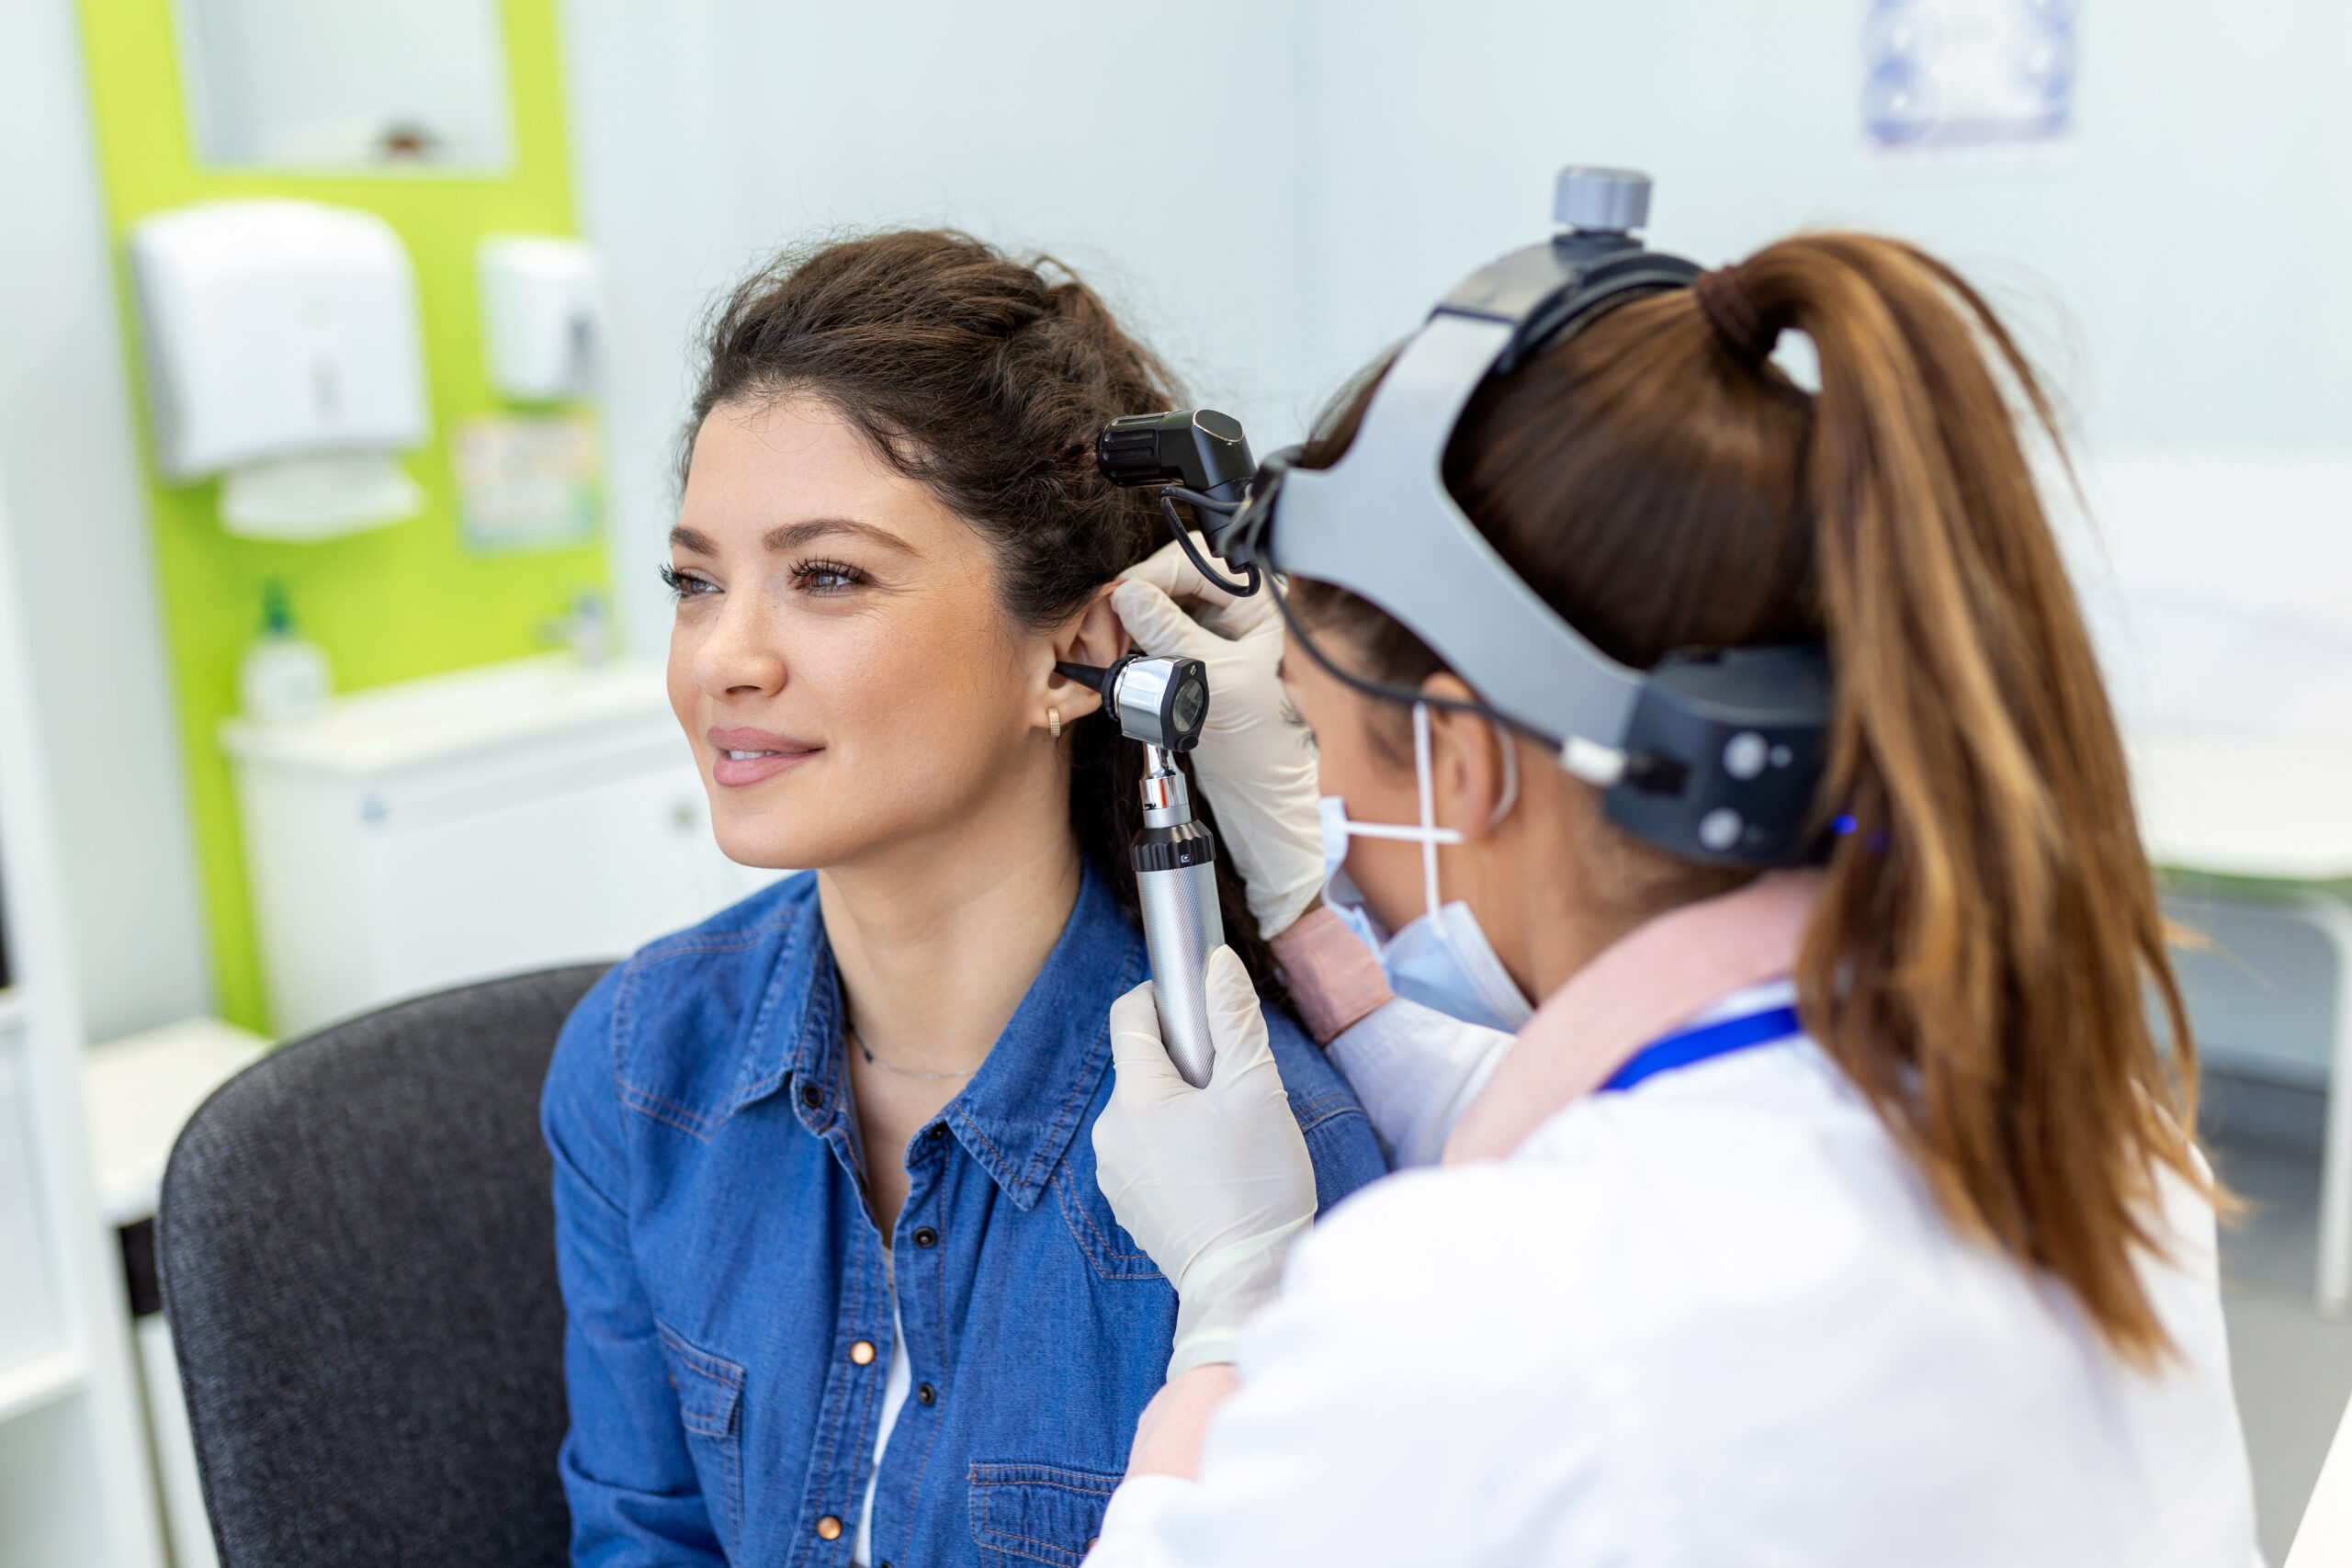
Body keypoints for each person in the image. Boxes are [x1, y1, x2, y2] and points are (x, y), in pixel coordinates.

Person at [1085, 229, 2258, 1564]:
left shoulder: (1490, 1316)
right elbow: (1657, 1122)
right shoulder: (2083, 1119)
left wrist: (1233, 1310)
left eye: (1306, 727)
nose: (1327, 818)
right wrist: (1320, 955)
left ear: (1456, 760)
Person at [538, 231, 1387, 1568]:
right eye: (697, 581)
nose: (724, 660)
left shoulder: (1257, 1169)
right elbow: (643, 1540)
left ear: (1078, 652)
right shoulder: (642, 1063)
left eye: (828, 576)